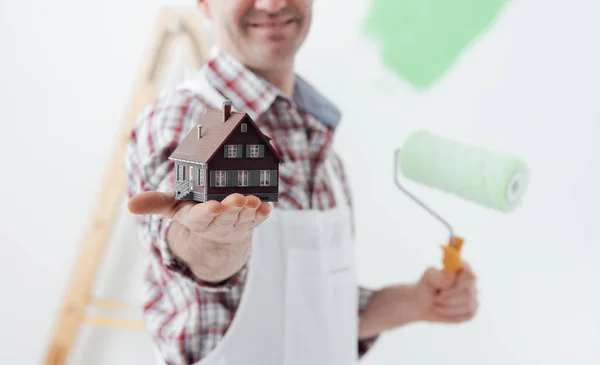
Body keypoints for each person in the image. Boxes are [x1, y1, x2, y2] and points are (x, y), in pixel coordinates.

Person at [125, 1, 479, 364]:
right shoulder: (187, 118)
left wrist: (418, 301)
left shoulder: (315, 134)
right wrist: (214, 239)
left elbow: (317, 317)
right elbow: (192, 248)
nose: (272, 4)